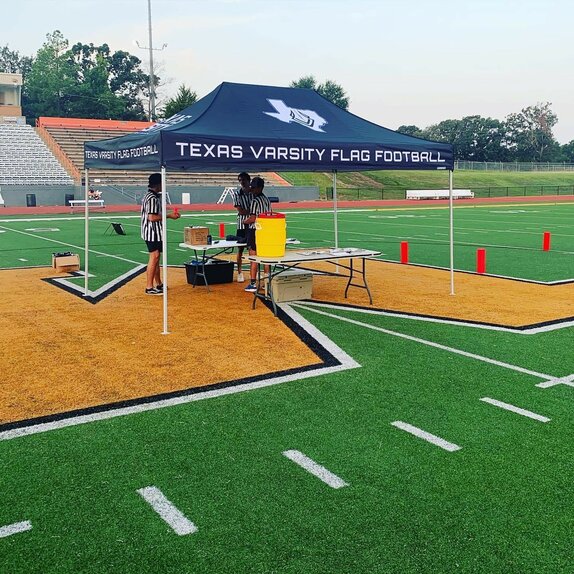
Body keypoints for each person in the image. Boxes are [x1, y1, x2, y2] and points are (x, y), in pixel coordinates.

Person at [141, 173, 181, 295]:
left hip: (154, 231)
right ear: (158, 184)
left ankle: (158, 284)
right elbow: (152, 217)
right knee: (155, 257)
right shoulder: (152, 198)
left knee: (156, 257)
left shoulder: (152, 196)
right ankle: (149, 286)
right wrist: (169, 216)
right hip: (152, 231)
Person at [242, 176, 271, 293]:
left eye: (254, 188)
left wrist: (245, 221)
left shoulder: (255, 201)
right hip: (266, 230)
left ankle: (253, 283)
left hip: (255, 231)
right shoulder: (267, 200)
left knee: (253, 256)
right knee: (265, 257)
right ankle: (267, 282)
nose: (252, 190)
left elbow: (253, 218)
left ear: (259, 188)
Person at [233, 171, 251, 282]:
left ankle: (252, 271)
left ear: (248, 180)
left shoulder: (253, 193)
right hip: (241, 224)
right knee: (240, 249)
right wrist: (251, 211)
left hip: (253, 224)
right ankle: (239, 272)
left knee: (252, 249)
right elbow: (240, 211)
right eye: (240, 180)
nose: (242, 182)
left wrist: (248, 212)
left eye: (243, 180)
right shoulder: (237, 194)